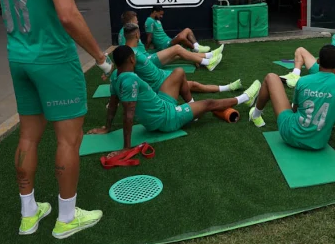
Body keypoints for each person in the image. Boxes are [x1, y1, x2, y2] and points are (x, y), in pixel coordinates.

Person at [0, 0, 113, 239]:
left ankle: (28, 214)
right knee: (68, 138)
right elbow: (67, 14)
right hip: (54, 60)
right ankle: (65, 217)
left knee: (29, 136)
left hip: (19, 58)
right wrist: (100, 58)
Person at [86, 24, 242, 135]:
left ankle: (215, 69)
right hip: (166, 113)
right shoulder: (131, 70)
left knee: (182, 72)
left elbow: (118, 100)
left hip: (162, 97)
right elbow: (127, 112)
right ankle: (242, 96)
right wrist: (126, 148)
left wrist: (110, 70)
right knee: (204, 99)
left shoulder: (124, 69)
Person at [103, 46, 261, 149]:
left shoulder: (116, 77)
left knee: (178, 72)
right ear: (132, 59)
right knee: (208, 103)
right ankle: (244, 98)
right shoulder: (131, 79)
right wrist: (126, 148)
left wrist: (107, 127)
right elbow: (128, 115)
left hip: (162, 105)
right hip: (167, 118)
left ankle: (192, 109)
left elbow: (112, 105)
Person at [248, 45, 335, 167]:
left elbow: (295, 110)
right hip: (317, 143)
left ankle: (256, 115)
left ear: (318, 61)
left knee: (271, 77)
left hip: (289, 135)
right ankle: (256, 115)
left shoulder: (303, 81)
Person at [280, 20, 335, 88]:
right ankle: (295, 75)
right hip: (325, 66)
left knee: (320, 76)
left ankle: (307, 80)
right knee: (300, 50)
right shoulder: (334, 37)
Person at [124, 11, 223, 70]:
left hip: (147, 58)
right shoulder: (127, 33)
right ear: (132, 21)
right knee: (177, 48)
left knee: (179, 52)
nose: (137, 21)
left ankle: (209, 56)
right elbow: (125, 55)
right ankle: (206, 60)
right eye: (136, 20)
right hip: (148, 60)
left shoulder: (129, 31)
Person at [145, 6, 210, 53]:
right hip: (164, 46)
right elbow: (149, 37)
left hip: (169, 41)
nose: (161, 16)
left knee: (187, 30)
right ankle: (195, 49)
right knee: (181, 38)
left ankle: (197, 47)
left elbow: (158, 34)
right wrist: (146, 50)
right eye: (160, 14)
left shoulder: (157, 20)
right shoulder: (149, 21)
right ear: (154, 12)